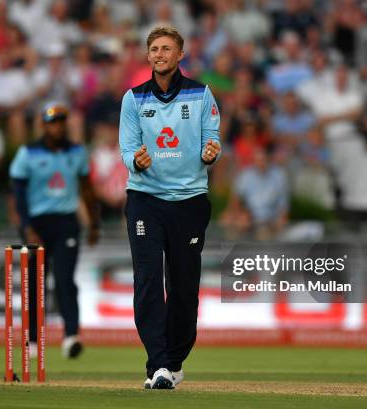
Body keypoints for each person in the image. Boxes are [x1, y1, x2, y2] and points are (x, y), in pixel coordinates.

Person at [119, 26, 221, 390]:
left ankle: (174, 360)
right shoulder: (133, 99)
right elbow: (128, 150)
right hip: (146, 200)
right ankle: (158, 364)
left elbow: (213, 139)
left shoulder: (201, 94)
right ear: (148, 56)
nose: (160, 54)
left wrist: (211, 151)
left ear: (180, 55)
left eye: (167, 49)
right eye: (154, 49)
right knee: (147, 281)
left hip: (189, 201)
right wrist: (138, 160)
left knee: (184, 286)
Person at [10, 102, 99, 359]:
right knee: (35, 284)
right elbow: (18, 194)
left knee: (64, 279)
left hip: (66, 222)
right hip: (36, 223)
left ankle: (71, 336)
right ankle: (34, 341)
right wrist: (26, 226)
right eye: (52, 123)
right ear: (44, 125)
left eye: (60, 122)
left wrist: (94, 223)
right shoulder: (28, 153)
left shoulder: (77, 152)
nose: (57, 127)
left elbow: (87, 188)